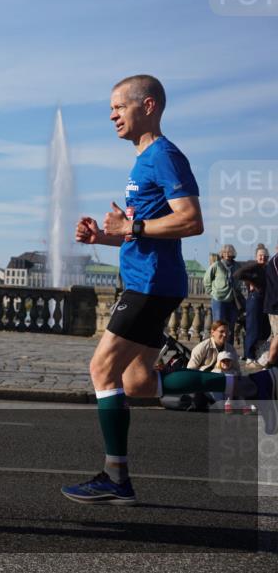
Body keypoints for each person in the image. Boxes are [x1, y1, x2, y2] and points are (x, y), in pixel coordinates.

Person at [61, 74, 277, 505]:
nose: (112, 114)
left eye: (119, 106)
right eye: (111, 108)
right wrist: (105, 237)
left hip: (151, 285)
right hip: (148, 280)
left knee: (102, 370)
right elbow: (145, 231)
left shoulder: (165, 155)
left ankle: (116, 477)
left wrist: (132, 225)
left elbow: (191, 221)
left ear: (149, 106)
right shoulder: (143, 160)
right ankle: (256, 387)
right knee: (140, 383)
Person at [235, 244, 271, 362]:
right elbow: (237, 274)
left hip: (265, 300)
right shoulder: (253, 265)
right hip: (254, 299)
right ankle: (249, 356)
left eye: (265, 256)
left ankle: (257, 353)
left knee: (265, 329)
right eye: (260, 256)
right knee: (253, 328)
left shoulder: (268, 268)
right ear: (256, 256)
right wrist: (251, 282)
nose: (263, 258)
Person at [204, 245, 241, 344]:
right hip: (219, 300)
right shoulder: (216, 265)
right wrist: (212, 292)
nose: (228, 254)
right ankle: (217, 347)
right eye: (225, 252)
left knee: (231, 326)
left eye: (230, 252)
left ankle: (229, 349)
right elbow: (206, 280)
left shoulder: (237, 266)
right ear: (222, 254)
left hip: (232, 299)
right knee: (218, 326)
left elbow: (241, 279)